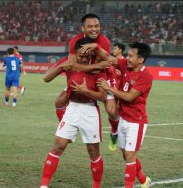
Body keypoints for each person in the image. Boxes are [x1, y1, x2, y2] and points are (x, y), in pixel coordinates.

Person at [81, 42, 153, 188]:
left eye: (131, 56)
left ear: (141, 59)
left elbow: (129, 97)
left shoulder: (145, 75)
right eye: (128, 55)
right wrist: (96, 46)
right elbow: (108, 57)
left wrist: (109, 88)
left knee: (130, 156)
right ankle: (144, 180)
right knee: (126, 155)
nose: (127, 58)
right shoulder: (126, 65)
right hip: (123, 119)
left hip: (136, 122)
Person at [40, 37, 107, 188]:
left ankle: (97, 185)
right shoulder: (68, 62)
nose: (84, 59)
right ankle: (44, 185)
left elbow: (102, 97)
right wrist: (62, 67)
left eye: (86, 56)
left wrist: (86, 91)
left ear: (91, 54)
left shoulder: (98, 69)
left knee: (93, 151)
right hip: (72, 109)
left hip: (90, 111)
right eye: (80, 56)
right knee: (58, 146)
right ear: (75, 53)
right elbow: (46, 78)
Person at [54, 14, 121, 152]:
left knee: (111, 110)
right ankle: (66, 126)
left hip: (103, 75)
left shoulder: (105, 42)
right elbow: (73, 65)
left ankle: (114, 131)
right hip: (84, 74)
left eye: (97, 26)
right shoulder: (75, 41)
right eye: (90, 26)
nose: (94, 29)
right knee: (60, 100)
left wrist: (96, 54)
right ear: (83, 28)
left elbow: (105, 64)